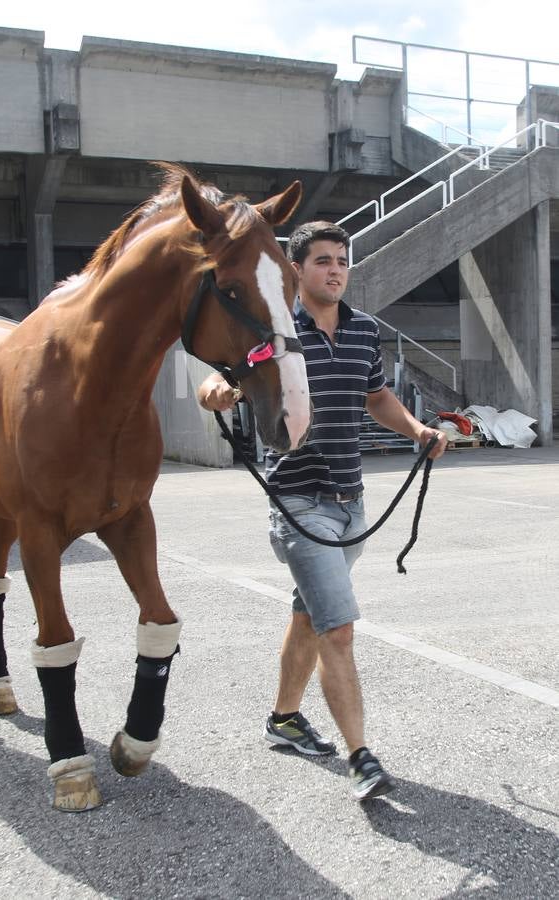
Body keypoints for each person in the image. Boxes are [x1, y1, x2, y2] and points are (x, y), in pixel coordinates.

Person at [197, 221, 446, 801]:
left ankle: (284, 719)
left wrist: (415, 429)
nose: (335, 269)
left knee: (310, 615)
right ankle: (362, 758)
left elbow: (376, 395)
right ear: (296, 269)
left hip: (351, 503)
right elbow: (223, 376)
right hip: (299, 505)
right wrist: (216, 390)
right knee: (337, 630)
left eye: (342, 260)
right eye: (322, 261)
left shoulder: (363, 330)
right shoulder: (278, 328)